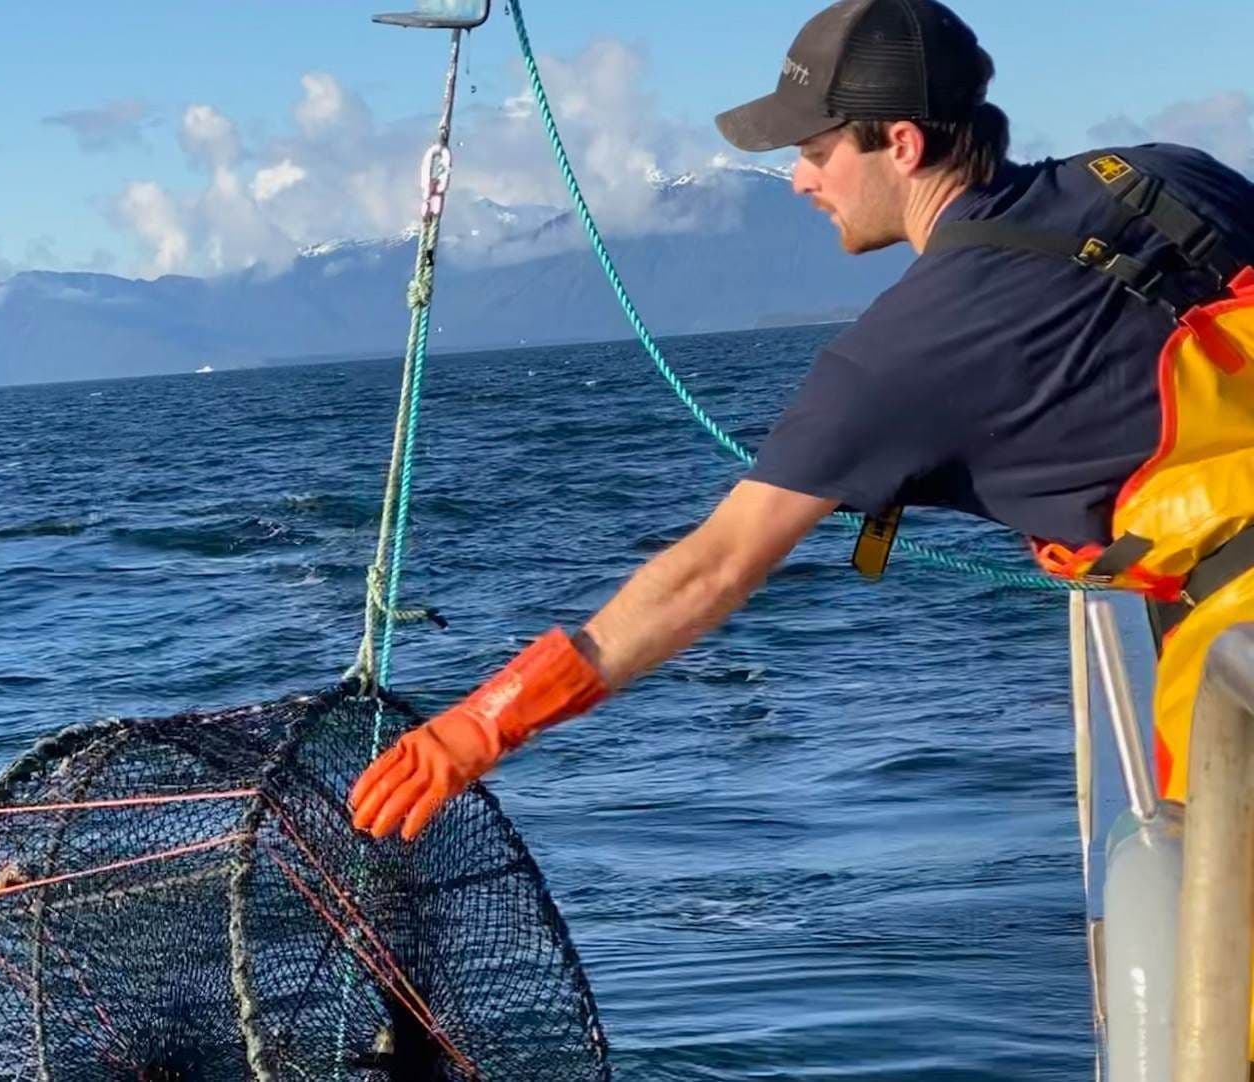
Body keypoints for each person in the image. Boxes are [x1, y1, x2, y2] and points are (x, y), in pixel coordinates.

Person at [350, 0, 1254, 892]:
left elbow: (710, 570)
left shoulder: (894, 361)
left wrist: (479, 727)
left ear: (901, 144)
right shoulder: (1163, 174)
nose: (799, 181)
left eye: (817, 153)